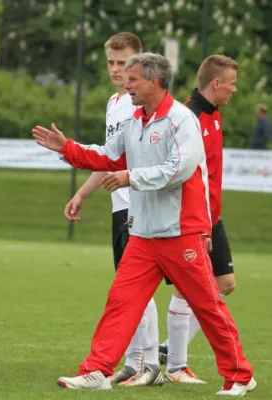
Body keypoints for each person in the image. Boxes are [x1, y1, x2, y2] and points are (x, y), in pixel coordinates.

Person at [32, 52, 256, 396]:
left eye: (133, 78)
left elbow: (178, 169)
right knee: (121, 303)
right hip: (143, 234)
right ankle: (97, 371)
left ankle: (240, 375)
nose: (126, 83)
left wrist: (130, 177)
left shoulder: (183, 119)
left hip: (181, 234)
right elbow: (107, 156)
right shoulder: (134, 121)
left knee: (207, 306)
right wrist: (68, 149)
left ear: (154, 81)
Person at [64, 32, 162, 387]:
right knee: (126, 288)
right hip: (120, 209)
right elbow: (110, 158)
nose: (117, 70)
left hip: (141, 207)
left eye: (124, 63)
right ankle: (136, 363)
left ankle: (150, 362)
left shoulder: (142, 104)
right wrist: (83, 193)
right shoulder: (114, 103)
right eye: (111, 63)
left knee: (136, 288)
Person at [159, 55, 241, 385]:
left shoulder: (214, 115)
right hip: (192, 220)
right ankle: (177, 366)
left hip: (212, 218)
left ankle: (170, 349)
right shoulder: (187, 117)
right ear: (216, 83)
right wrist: (199, 223)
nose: (235, 90)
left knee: (224, 284)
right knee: (186, 287)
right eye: (232, 84)